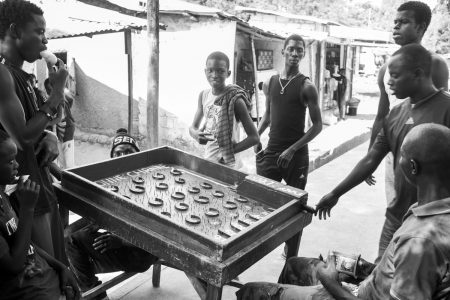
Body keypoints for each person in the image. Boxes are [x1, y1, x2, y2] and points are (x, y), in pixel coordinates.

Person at [237, 123, 450, 300]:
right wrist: (367, 269)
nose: (396, 160)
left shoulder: (420, 241)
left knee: (254, 292)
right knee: (294, 265)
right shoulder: (436, 206)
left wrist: (331, 282)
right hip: (373, 283)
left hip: (361, 295)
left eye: (400, 155)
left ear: (413, 167)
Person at [316, 44, 450, 259]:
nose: (389, 82)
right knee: (380, 276)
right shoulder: (396, 112)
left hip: (433, 224)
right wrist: (335, 193)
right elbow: (371, 158)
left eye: (395, 76)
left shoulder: (446, 109)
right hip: (397, 216)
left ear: (417, 74)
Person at [0, 0, 69, 263]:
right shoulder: (2, 74)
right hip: (24, 195)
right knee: (48, 271)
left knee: (60, 265)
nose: (45, 41)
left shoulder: (22, 75)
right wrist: (58, 92)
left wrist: (49, 134)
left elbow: (49, 119)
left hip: (40, 184)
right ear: (16, 30)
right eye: (39, 32)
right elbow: (23, 137)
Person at [366, 1, 448, 220]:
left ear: (421, 28)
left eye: (404, 22)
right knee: (397, 208)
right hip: (397, 150)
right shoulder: (387, 68)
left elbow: (439, 116)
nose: (396, 27)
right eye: (395, 22)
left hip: (428, 157)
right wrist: (370, 157)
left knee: (426, 213)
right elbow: (382, 115)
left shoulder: (435, 64)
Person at [66, 128, 158, 298]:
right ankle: (93, 290)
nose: (123, 156)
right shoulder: (111, 183)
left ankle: (93, 294)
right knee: (71, 237)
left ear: (137, 154)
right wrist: (98, 222)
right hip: (123, 244)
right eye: (119, 153)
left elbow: (157, 233)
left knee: (72, 246)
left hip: (142, 253)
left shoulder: (151, 185)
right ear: (112, 157)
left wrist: (121, 240)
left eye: (128, 152)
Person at [0, 130, 80, 300]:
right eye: (10, 161)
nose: (17, 165)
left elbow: (24, 241)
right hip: (29, 292)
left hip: (44, 279)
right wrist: (27, 208)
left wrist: (60, 266)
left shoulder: (3, 196)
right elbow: (14, 264)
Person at [189, 51, 259, 169]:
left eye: (220, 71)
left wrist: (228, 151)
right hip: (209, 158)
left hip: (229, 163)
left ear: (228, 73)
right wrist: (196, 135)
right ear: (205, 72)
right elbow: (193, 127)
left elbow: (254, 137)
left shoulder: (235, 99)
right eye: (210, 70)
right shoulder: (204, 96)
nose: (215, 75)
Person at [44, 78, 76, 170]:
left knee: (69, 162)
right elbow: (71, 100)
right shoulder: (60, 98)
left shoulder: (59, 100)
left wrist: (46, 124)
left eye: (50, 90)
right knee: (62, 158)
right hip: (61, 129)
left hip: (67, 130)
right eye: (48, 90)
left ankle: (71, 178)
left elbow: (58, 119)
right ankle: (64, 175)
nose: (49, 92)